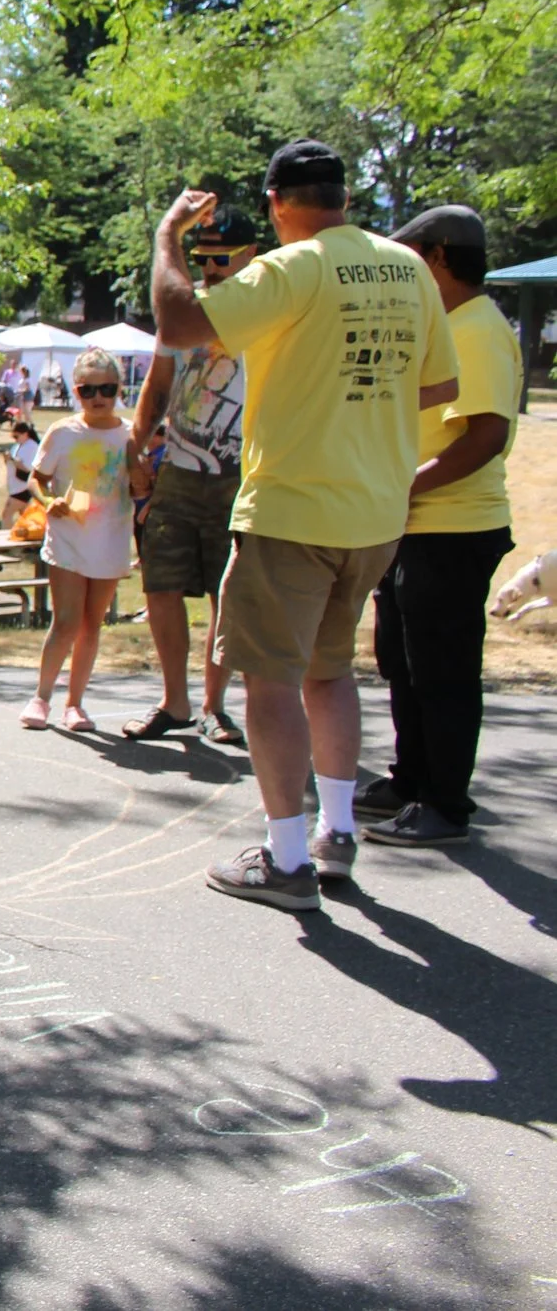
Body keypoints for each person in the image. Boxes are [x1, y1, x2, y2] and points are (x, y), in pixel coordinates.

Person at [150, 140, 457, 910]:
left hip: (291, 509)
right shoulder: (409, 268)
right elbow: (437, 385)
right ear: (344, 196)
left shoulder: (295, 266)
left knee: (272, 679)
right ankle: (338, 831)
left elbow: (181, 322)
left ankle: (287, 859)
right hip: (375, 512)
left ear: (280, 202)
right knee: (329, 671)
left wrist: (167, 240)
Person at [359, 204, 520, 847]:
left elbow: (486, 436)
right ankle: (411, 781)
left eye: (414, 258)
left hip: (453, 529)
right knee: (401, 661)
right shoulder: (451, 323)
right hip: (416, 525)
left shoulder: (478, 327)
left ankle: (445, 803)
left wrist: (404, 487)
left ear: (442, 257)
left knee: (442, 670)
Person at [121, 203, 257, 744]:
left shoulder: (268, 305)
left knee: (229, 595)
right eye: (202, 258)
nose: (211, 268)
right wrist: (135, 447)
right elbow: (157, 386)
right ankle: (174, 702)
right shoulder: (186, 310)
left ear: (252, 255)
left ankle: (215, 706)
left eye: (223, 258)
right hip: (178, 469)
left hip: (241, 474)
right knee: (162, 585)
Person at [18, 349, 146, 732]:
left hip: (110, 539)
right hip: (69, 538)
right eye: (88, 389)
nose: (98, 397)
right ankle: (41, 696)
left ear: (119, 388)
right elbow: (36, 479)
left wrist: (143, 477)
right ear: (76, 391)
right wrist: (47, 501)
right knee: (66, 621)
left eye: (107, 388)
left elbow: (141, 485)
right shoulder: (63, 431)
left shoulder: (130, 433)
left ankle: (75, 704)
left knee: (92, 623)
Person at [2, 419, 40, 517]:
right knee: (25, 517)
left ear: (25, 434)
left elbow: (27, 468)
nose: (15, 439)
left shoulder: (31, 446)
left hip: (22, 487)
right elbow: (11, 463)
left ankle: (6, 533)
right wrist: (7, 459)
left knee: (6, 515)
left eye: (16, 436)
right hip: (15, 486)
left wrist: (12, 459)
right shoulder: (17, 446)